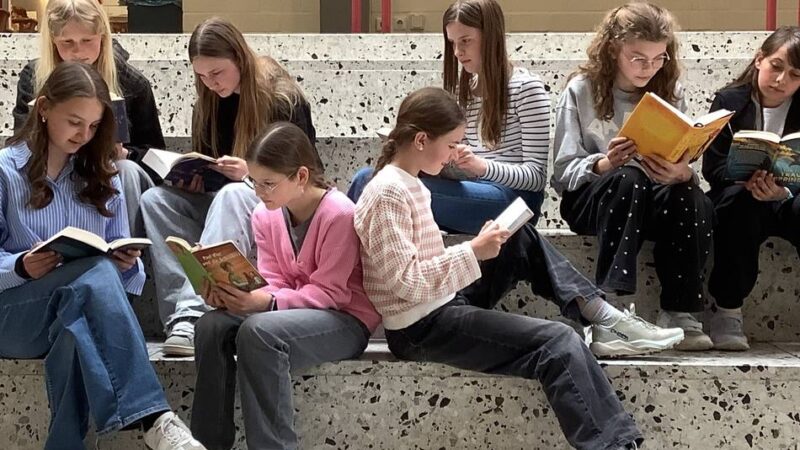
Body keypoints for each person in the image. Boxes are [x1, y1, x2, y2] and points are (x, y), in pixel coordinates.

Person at [0, 61, 204, 450]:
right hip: (12, 315)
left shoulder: (100, 175)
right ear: (43, 108)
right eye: (75, 122)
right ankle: (154, 418)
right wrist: (22, 266)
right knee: (90, 279)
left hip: (70, 309)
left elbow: (120, 278)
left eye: (93, 126)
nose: (84, 134)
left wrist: (125, 265)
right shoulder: (4, 171)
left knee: (76, 329)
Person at [190, 121, 380, 450]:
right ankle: (206, 444)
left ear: (301, 176)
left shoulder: (339, 214)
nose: (259, 193)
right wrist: (233, 296)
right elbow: (273, 279)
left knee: (259, 333)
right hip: (286, 312)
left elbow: (331, 294)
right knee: (211, 326)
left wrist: (266, 304)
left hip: (343, 319)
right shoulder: (266, 215)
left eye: (269, 184)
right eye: (254, 182)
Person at [140, 17, 321, 356]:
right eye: (201, 76)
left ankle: (193, 315)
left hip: (271, 207)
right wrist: (195, 178)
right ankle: (177, 316)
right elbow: (208, 159)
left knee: (234, 193)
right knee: (155, 200)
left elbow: (307, 177)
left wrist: (250, 176)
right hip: (222, 204)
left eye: (217, 73)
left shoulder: (281, 99)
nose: (210, 83)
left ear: (239, 58)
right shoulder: (208, 102)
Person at [551, 2, 715, 351]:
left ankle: (681, 311)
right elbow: (563, 172)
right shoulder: (581, 90)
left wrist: (682, 172)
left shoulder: (669, 91)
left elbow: (680, 152)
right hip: (593, 198)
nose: (649, 68)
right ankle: (611, 310)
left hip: (649, 196)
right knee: (628, 178)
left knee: (692, 195)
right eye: (638, 58)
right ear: (613, 49)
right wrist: (604, 163)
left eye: (658, 59)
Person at [348, 0, 548, 235]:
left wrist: (481, 167)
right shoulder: (463, 91)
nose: (457, 52)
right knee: (366, 177)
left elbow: (536, 178)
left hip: (512, 201)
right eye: (452, 43)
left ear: (491, 36)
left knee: (378, 186)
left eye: (465, 41)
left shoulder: (526, 88)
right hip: (466, 189)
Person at [12, 0, 165, 237]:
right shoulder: (35, 78)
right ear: (53, 41)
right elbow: (17, 142)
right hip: (53, 167)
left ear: (102, 38)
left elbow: (155, 156)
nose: (78, 52)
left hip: (109, 172)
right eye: (67, 43)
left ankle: (127, 249)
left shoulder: (132, 83)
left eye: (87, 41)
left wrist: (126, 154)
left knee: (126, 170)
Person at [703, 26, 800, 351]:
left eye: (795, 75)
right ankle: (728, 309)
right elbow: (712, 167)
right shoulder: (729, 100)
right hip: (738, 195)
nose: (781, 80)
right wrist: (746, 179)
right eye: (776, 66)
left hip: (786, 197)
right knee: (742, 205)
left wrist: (783, 191)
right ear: (759, 60)